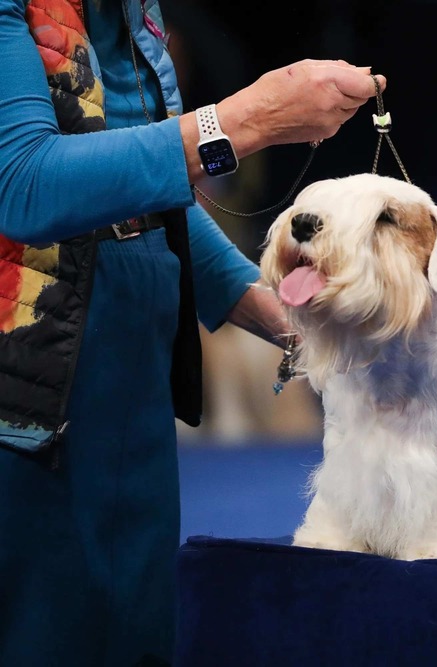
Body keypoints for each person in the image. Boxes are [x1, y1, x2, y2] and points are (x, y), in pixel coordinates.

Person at [0, 0, 385, 664]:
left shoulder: (134, 12)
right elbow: (26, 183)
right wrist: (249, 119)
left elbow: (151, 194)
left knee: (136, 638)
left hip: (130, 393)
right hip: (23, 406)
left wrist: (293, 322)